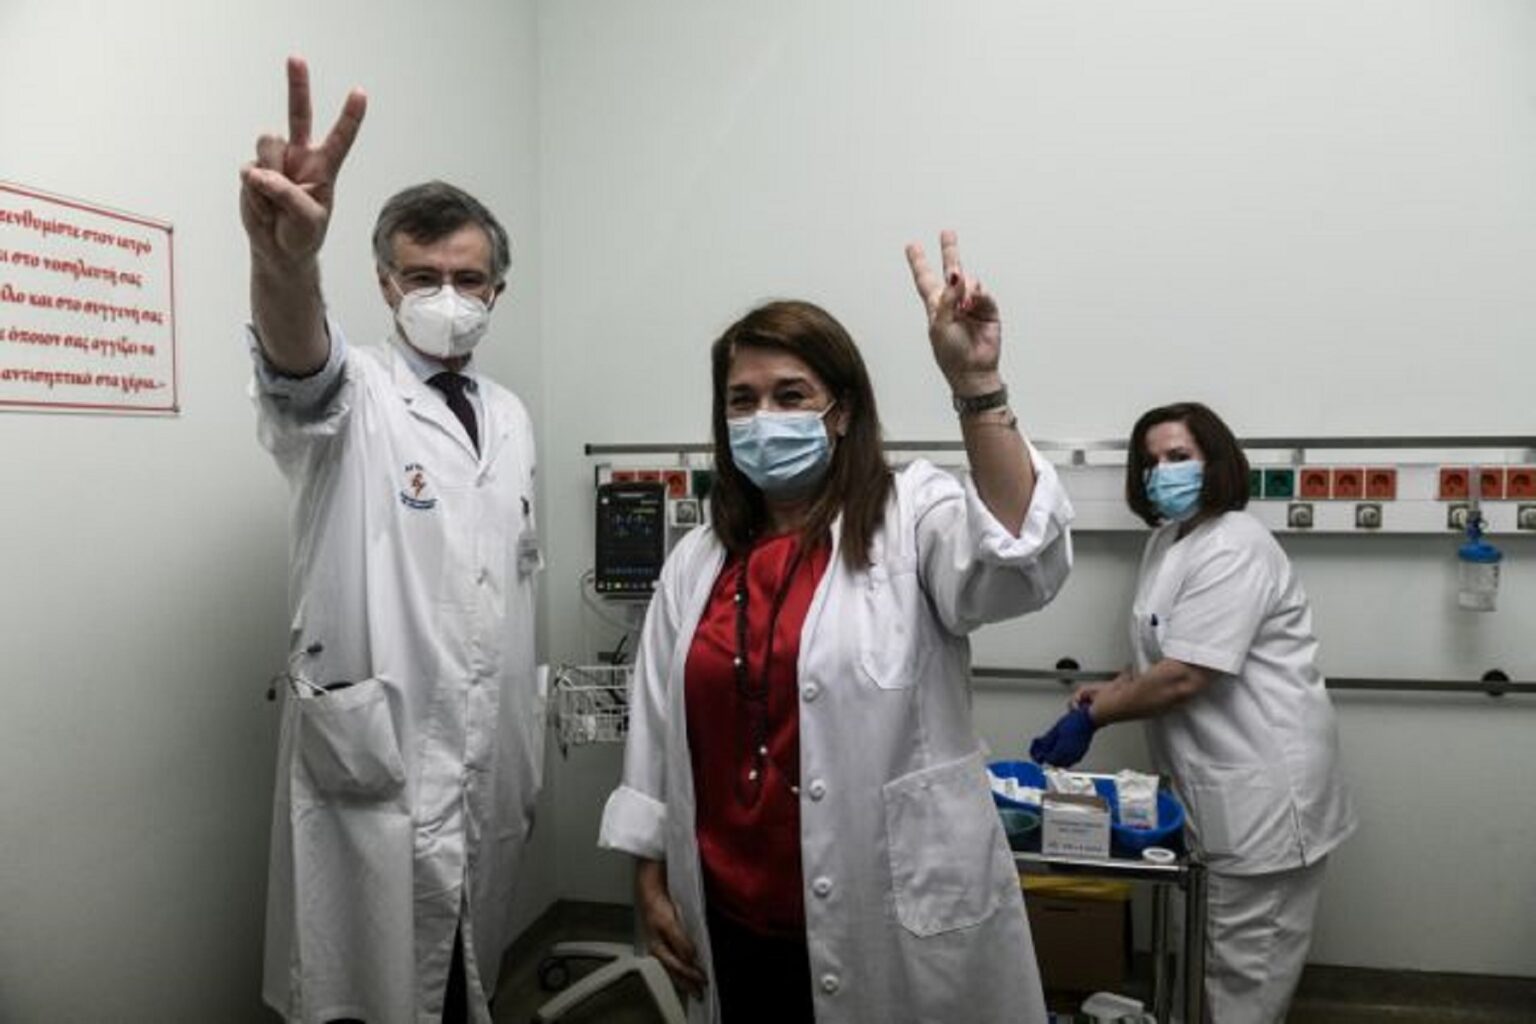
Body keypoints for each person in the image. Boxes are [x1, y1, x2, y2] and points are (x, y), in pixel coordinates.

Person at [598, 232, 1075, 1023]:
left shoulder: (910, 516)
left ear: (841, 410)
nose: (764, 418)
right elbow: (655, 732)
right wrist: (649, 878)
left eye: (791, 395)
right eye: (742, 400)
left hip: (884, 915)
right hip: (728, 913)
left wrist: (977, 385)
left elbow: (1020, 558)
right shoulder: (698, 561)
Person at [239, 58, 543, 1024]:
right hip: (374, 766)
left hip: (483, 765)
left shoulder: (511, 417)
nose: (447, 295)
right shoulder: (356, 392)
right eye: (422, 277)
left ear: (497, 290)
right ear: (383, 283)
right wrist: (286, 263)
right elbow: (298, 369)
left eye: (467, 279)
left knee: (460, 978)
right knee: (369, 986)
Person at [1030, 402, 1357, 1024]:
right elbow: (1163, 652)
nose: (1162, 472)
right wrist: (1111, 689)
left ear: (1216, 462)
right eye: (1151, 461)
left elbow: (1186, 675)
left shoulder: (1237, 545)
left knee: (1242, 981)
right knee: (1203, 966)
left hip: (1263, 797)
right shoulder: (1169, 541)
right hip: (1212, 793)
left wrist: (1097, 719)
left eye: (1179, 457)